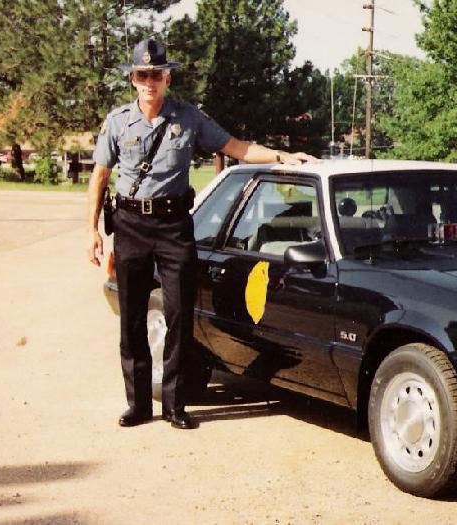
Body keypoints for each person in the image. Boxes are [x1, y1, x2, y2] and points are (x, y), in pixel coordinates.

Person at [86, 37, 317, 430]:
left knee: (179, 315)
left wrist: (281, 156)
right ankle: (139, 404)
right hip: (130, 226)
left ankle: (175, 406)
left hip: (174, 227)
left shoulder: (188, 118)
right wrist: (91, 229)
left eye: (156, 75)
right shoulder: (118, 121)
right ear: (133, 79)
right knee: (132, 319)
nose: (149, 82)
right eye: (142, 75)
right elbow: (100, 175)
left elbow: (238, 148)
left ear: (167, 77)